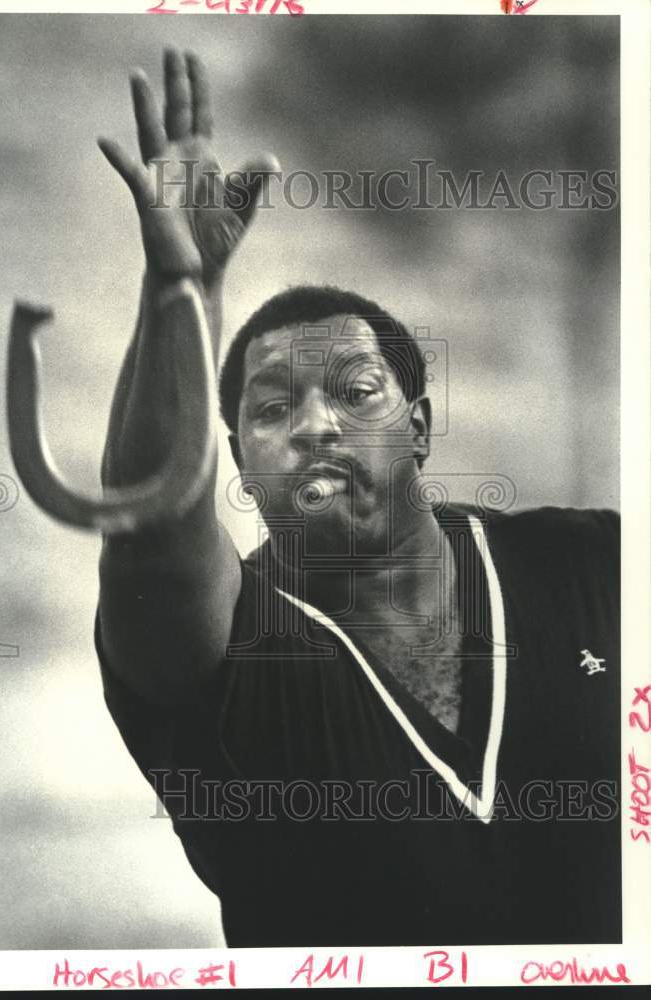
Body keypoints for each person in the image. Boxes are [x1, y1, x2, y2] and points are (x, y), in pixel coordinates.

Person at [95, 49, 621, 947]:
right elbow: (151, 527)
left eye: (354, 390)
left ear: (418, 425)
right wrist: (181, 292)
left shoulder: (595, 566)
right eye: (273, 408)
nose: (316, 425)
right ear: (238, 459)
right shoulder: (234, 646)